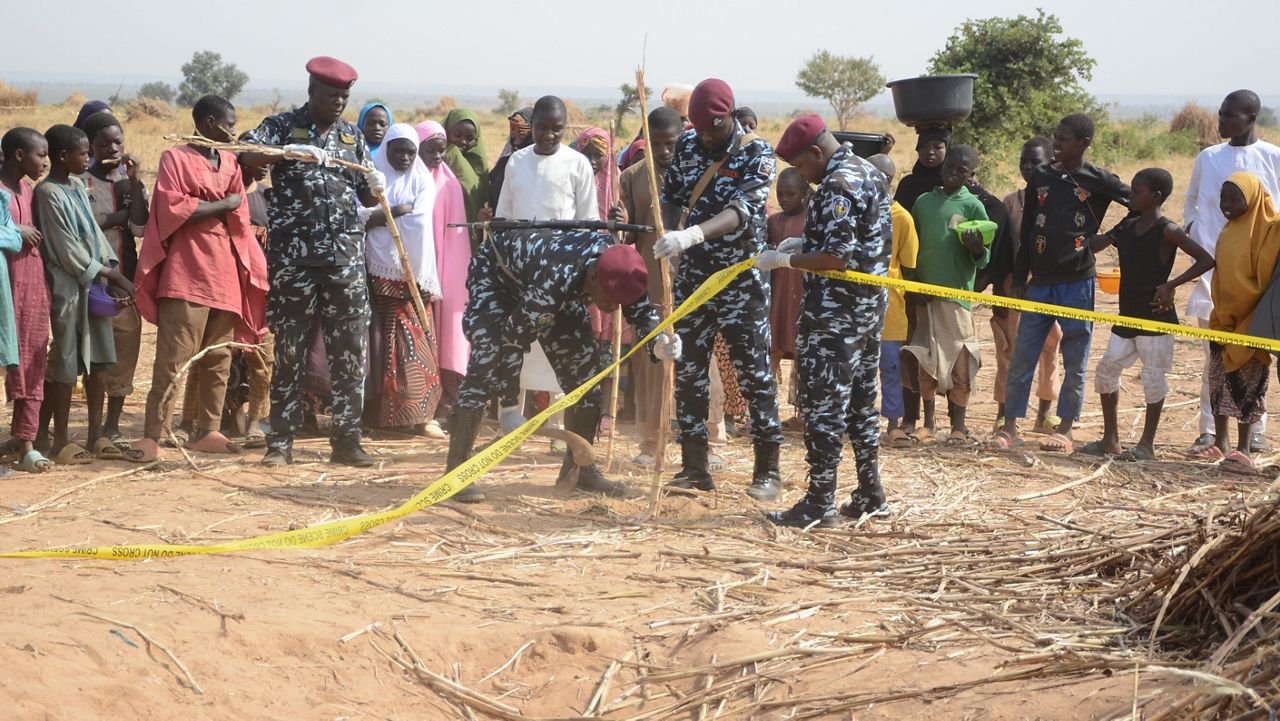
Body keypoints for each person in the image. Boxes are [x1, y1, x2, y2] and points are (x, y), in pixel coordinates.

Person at [443, 234, 680, 502]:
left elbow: (641, 311)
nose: (614, 308)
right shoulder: (554, 283)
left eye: (619, 302)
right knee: (486, 363)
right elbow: (512, 340)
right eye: (610, 299)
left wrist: (658, 343)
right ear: (593, 279)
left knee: (586, 375)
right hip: (498, 277)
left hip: (557, 284)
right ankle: (456, 472)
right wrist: (509, 406)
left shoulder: (621, 269)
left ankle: (580, 471)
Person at [239, 56, 388, 467]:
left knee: (349, 352)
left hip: (344, 261)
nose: (338, 102)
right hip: (295, 262)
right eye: (331, 95)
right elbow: (246, 156)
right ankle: (281, 442)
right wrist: (285, 152)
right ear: (311, 92)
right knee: (290, 350)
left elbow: (366, 196)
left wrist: (376, 186)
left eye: (344, 96)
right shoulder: (281, 127)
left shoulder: (351, 137)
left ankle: (346, 440)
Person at [758, 114, 892, 527]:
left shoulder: (837, 183)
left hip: (837, 317)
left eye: (801, 166)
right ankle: (871, 494)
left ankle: (820, 504)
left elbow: (836, 258)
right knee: (861, 407)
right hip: (868, 313)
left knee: (824, 409)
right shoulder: (867, 169)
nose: (802, 175)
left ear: (816, 153)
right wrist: (807, 242)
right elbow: (857, 240)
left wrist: (787, 259)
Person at [654, 78, 783, 501]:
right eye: (700, 129)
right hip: (694, 279)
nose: (705, 137)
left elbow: (742, 211)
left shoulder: (756, 152)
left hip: (740, 282)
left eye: (712, 128)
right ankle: (694, 468)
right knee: (689, 374)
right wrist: (670, 231)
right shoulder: (690, 146)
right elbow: (672, 194)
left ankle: (767, 472)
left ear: (728, 116)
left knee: (754, 376)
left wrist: (692, 235)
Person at [130, 95, 269, 462]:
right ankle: (153, 434)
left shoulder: (229, 162)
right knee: (172, 359)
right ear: (208, 122)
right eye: (229, 124)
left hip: (225, 272)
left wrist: (213, 207)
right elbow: (172, 207)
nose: (233, 132)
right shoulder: (175, 158)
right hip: (186, 272)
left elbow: (239, 212)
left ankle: (208, 429)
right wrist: (220, 205)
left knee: (219, 358)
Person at [989, 114, 1130, 453]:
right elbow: (1028, 233)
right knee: (1023, 355)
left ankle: (1065, 429)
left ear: (1083, 144)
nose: (1056, 144)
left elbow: (1140, 204)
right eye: (1055, 137)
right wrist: (1021, 278)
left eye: (1063, 139)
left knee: (1075, 358)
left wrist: (1109, 237)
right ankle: (1010, 427)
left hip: (1077, 282)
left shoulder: (1098, 179)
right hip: (1040, 282)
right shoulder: (1040, 177)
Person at [1082, 168, 1213, 461]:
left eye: (1137, 191)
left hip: (1156, 317)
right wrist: (1110, 225)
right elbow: (1095, 246)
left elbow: (1206, 259)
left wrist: (1171, 285)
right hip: (1127, 313)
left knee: (1153, 379)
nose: (1130, 195)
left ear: (1155, 197)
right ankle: (1110, 439)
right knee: (1106, 372)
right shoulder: (1128, 226)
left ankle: (1147, 444)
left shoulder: (1168, 229)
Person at [496, 96, 599, 441]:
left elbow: (589, 224)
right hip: (519, 277)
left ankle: (559, 433)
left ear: (564, 128)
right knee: (515, 353)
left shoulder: (578, 164)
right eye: (542, 128)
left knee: (563, 364)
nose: (549, 136)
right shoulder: (516, 163)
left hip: (562, 280)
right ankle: (511, 424)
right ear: (533, 126)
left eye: (557, 129)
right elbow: (504, 220)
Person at [1183, 90, 1280, 454]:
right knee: (1215, 355)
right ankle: (1210, 430)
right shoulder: (1208, 158)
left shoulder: (1273, 157)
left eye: (1229, 116)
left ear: (1251, 116)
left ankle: (1255, 430)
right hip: (1213, 270)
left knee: (1255, 354)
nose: (1221, 121)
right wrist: (1195, 229)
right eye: (1220, 114)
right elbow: (1191, 200)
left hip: (1259, 278)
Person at [33, 124, 132, 466]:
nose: (88, 158)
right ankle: (60, 440)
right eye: (83, 153)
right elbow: (66, 249)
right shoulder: (47, 193)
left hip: (94, 287)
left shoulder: (76, 184)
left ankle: (95, 435)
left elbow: (95, 234)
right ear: (63, 157)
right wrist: (109, 273)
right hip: (69, 289)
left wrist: (110, 270)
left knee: (101, 362)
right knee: (66, 361)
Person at [902, 145, 989, 444]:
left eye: (962, 170)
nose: (953, 172)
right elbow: (911, 247)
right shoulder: (924, 202)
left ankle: (959, 427)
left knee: (961, 361)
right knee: (926, 360)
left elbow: (983, 257)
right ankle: (928, 423)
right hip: (925, 296)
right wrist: (913, 284)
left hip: (957, 298)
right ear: (942, 166)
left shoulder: (973, 206)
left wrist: (978, 249)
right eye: (950, 166)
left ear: (971, 175)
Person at [611, 106, 682, 467]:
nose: (665, 151)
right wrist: (620, 223)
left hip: (689, 285)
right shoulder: (634, 175)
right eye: (656, 145)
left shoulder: (696, 174)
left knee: (697, 366)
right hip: (650, 286)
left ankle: (707, 442)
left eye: (671, 143)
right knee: (650, 362)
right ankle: (649, 441)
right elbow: (626, 236)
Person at [364, 123, 443, 437]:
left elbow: (420, 221)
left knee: (413, 343)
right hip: (378, 274)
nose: (405, 157)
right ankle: (376, 416)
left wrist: (384, 217)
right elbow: (363, 216)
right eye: (398, 151)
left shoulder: (423, 181)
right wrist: (393, 211)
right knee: (380, 345)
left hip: (411, 278)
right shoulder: (374, 178)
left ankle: (416, 414)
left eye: (411, 151)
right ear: (387, 151)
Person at [1199, 173, 1280, 471]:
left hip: (1254, 319)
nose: (1227, 205)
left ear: (1254, 198)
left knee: (1248, 383)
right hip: (1223, 318)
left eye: (1235, 199)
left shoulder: (1271, 230)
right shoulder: (1228, 230)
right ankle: (1221, 442)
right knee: (1218, 382)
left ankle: (1244, 448)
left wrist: (1246, 313)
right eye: (1223, 199)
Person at [80, 111, 149, 458]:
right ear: (90, 147)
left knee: (125, 353)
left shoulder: (128, 185)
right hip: (90, 283)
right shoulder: (80, 182)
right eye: (103, 143)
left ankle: (113, 426)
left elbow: (138, 228)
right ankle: (93, 428)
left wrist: (135, 184)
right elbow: (85, 228)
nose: (112, 148)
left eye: (118, 142)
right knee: (94, 357)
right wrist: (113, 219)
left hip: (126, 284)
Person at [995, 137, 1062, 434]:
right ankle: (1004, 412)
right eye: (1024, 162)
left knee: (1051, 345)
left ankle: (1045, 413)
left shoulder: (1061, 200)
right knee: (1009, 348)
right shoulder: (1011, 202)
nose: (1028, 167)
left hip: (1047, 285)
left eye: (1036, 162)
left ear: (1051, 162)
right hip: (1014, 287)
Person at [0, 128, 54, 472]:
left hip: (32, 288)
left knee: (34, 359)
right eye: (40, 155)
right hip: (6, 289)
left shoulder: (30, 191)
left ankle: (26, 440)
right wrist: (15, 232)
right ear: (19, 155)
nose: (45, 162)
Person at [894, 127, 948, 436]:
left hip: (944, 283)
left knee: (947, 353)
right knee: (910, 352)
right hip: (909, 281)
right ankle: (911, 418)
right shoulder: (909, 185)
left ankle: (947, 422)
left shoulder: (954, 186)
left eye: (938, 146)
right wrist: (910, 280)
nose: (931, 152)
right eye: (925, 146)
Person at [417, 121, 471, 423]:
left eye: (441, 151)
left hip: (445, 272)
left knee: (448, 333)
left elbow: (458, 242)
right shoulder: (408, 179)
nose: (437, 158)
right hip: (413, 270)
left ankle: (447, 404)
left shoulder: (450, 185)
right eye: (430, 151)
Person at [865, 153, 918, 448]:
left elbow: (908, 264)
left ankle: (894, 425)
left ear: (888, 181)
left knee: (890, 365)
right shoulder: (859, 210)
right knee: (860, 366)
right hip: (858, 302)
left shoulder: (902, 218)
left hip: (890, 304)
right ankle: (860, 420)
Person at [765, 167, 809, 428]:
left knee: (803, 355)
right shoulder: (774, 222)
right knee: (773, 350)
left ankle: (802, 413)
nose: (784, 199)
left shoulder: (811, 220)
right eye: (780, 193)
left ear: (804, 194)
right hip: (778, 295)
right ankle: (767, 409)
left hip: (801, 296)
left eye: (791, 194)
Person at [442, 108, 491, 245]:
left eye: (470, 139)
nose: (463, 142)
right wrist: (451, 153)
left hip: (472, 234)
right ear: (446, 131)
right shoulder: (436, 158)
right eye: (457, 135)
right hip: (443, 228)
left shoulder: (479, 165)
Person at [488, 107, 533, 210]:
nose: (514, 135)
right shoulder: (505, 163)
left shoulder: (539, 165)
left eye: (520, 131)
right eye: (512, 129)